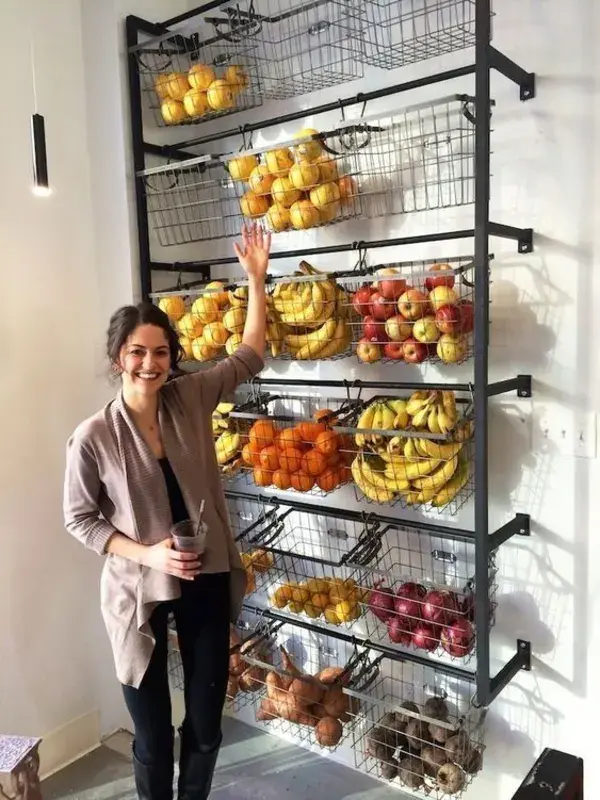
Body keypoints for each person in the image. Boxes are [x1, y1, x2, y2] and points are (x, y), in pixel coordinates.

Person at [63, 223, 271, 800]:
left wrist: (256, 278)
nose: (150, 364)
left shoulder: (190, 396)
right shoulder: (94, 436)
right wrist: (148, 551)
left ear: (173, 357)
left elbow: (249, 355)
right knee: (153, 737)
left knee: (205, 726)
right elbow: (81, 519)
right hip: (137, 593)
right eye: (138, 352)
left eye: (161, 352)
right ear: (118, 358)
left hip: (202, 575)